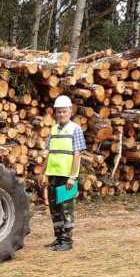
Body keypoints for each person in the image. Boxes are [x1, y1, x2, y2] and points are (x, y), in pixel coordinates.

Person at [42, 95, 86, 251]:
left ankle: (67, 241)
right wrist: (44, 174)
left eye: (64, 111)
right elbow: (49, 153)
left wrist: (72, 177)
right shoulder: (53, 129)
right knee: (55, 208)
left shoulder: (75, 129)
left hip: (66, 176)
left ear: (70, 111)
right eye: (58, 112)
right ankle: (59, 238)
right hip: (53, 174)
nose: (61, 114)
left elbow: (77, 155)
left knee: (65, 208)